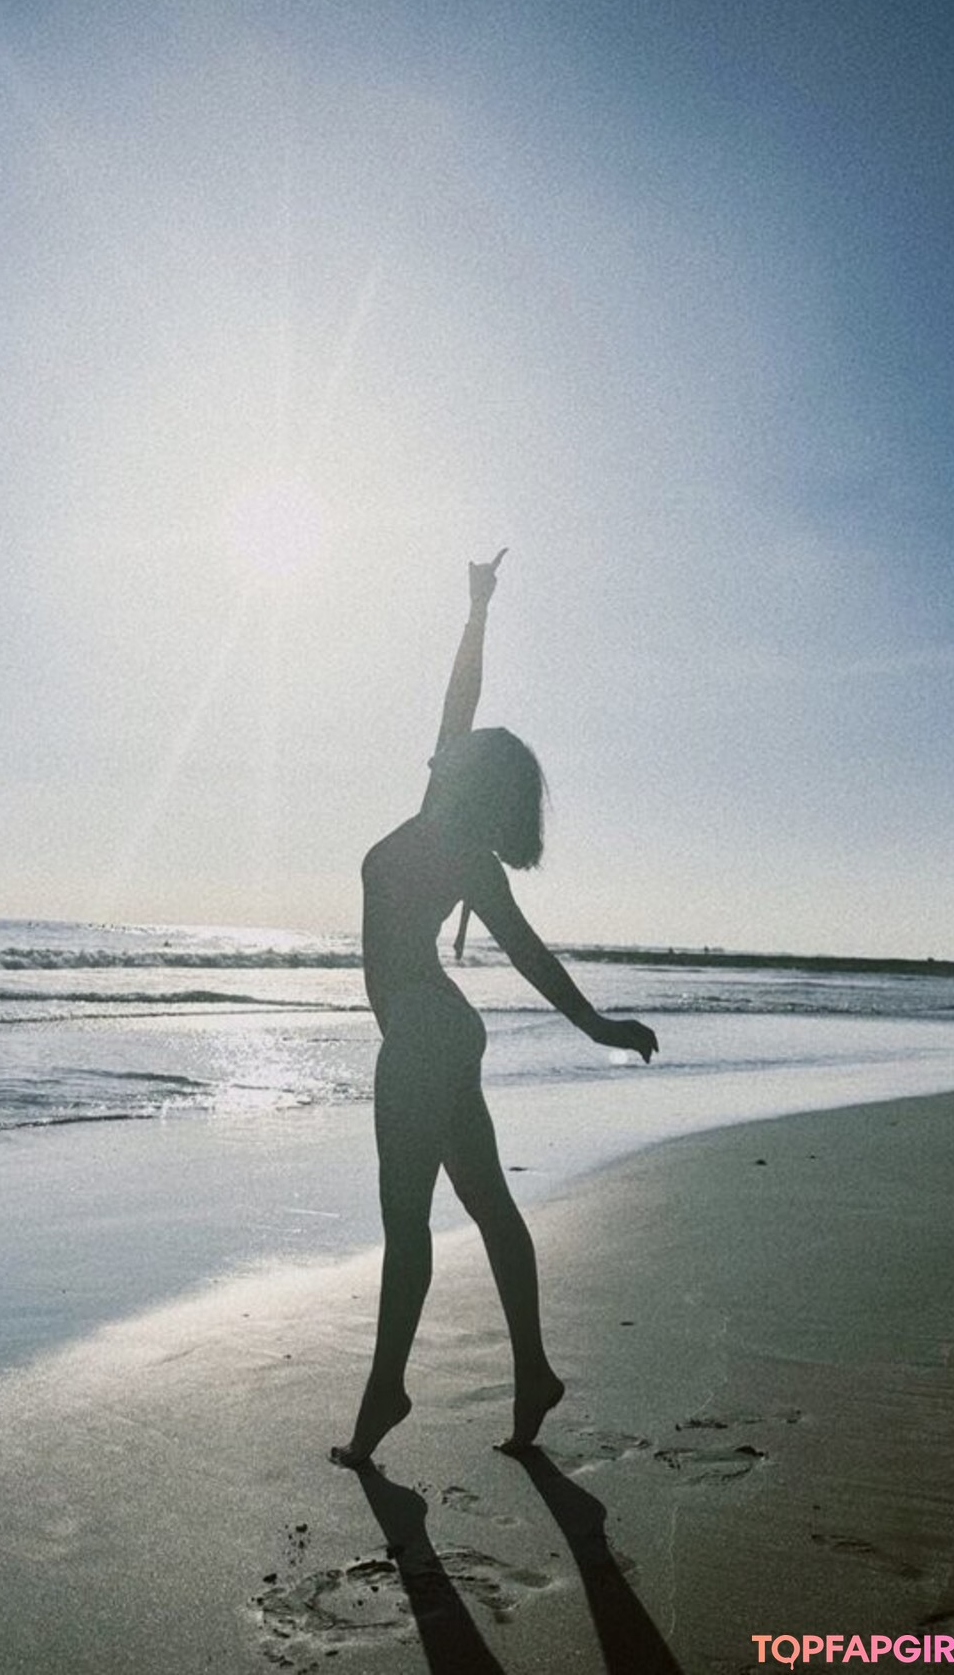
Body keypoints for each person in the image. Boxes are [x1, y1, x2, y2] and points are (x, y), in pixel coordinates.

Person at [331, 551, 658, 1468]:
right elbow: (460, 698)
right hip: (443, 1030)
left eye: (459, 752)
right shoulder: (455, 836)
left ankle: (386, 1391)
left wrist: (598, 1027)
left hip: (421, 1034)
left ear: (467, 775)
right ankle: (533, 1371)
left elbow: (530, 956)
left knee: (410, 1225)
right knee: (489, 1210)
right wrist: (476, 609)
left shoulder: (452, 840)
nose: (447, 745)